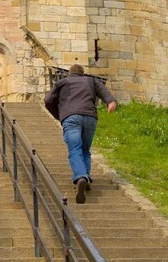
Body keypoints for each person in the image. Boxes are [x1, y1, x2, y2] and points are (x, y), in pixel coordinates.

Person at [43, 64, 117, 204]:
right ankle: (86, 177)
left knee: (75, 149)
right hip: (89, 117)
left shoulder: (62, 82)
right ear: (82, 74)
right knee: (85, 149)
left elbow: (47, 100)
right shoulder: (91, 81)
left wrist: (59, 115)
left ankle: (81, 176)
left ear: (69, 74)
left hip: (70, 118)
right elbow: (104, 92)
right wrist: (111, 102)